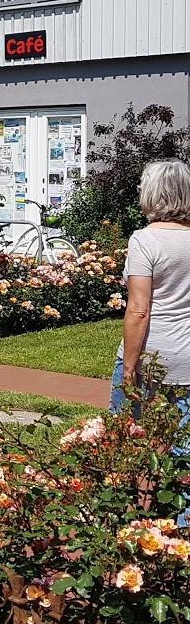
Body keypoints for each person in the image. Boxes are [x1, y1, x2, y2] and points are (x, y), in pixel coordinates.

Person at [115, 161, 190, 437]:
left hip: (151, 359)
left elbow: (139, 309)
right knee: (182, 447)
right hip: (187, 358)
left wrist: (128, 367)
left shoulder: (145, 240)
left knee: (130, 440)